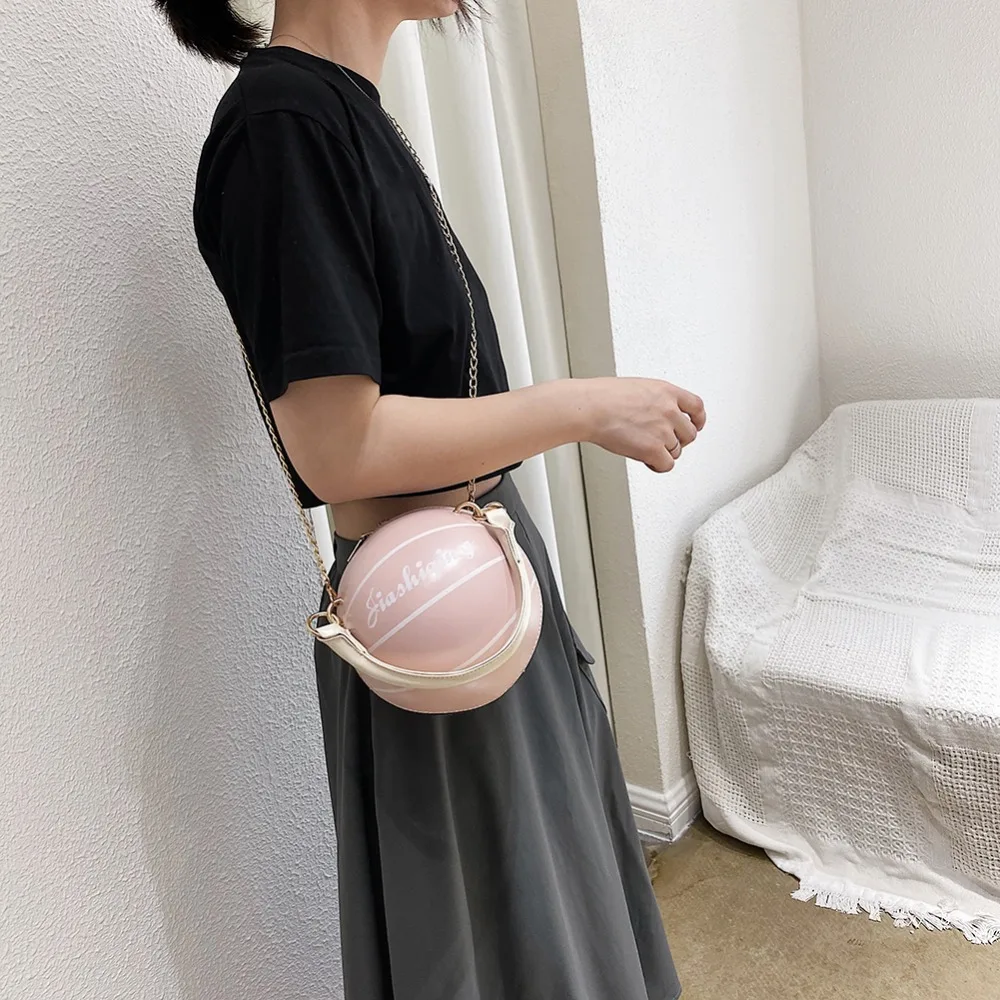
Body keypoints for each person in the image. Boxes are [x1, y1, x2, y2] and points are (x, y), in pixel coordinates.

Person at [156, 1, 703, 996]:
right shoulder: (283, 123)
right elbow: (339, 447)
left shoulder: (341, 113)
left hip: (472, 582)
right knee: (512, 941)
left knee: (544, 921)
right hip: (435, 613)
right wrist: (584, 406)